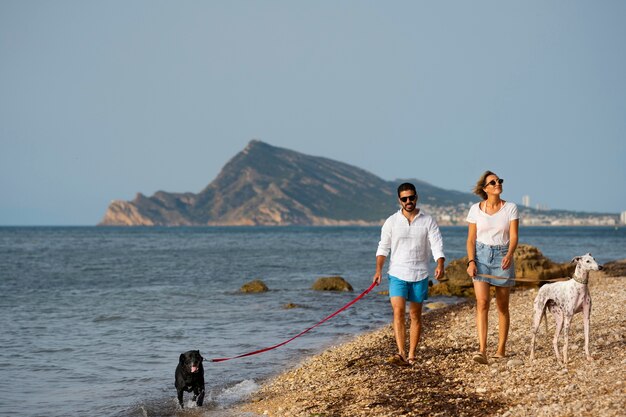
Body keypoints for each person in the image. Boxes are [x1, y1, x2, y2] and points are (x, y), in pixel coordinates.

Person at [373, 182, 445, 366]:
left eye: (411, 197)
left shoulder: (428, 220)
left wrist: (440, 264)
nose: (408, 201)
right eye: (404, 199)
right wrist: (378, 270)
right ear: (399, 200)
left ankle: (412, 354)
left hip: (420, 274)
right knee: (398, 311)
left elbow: (437, 244)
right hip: (397, 272)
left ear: (416, 197)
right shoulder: (391, 221)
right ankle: (401, 352)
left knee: (415, 315)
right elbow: (383, 247)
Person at [466, 171, 519, 364]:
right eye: (493, 182)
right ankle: (482, 350)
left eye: (499, 181)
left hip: (502, 255)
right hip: (480, 256)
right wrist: (471, 261)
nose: (498, 184)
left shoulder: (510, 208)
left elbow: (513, 236)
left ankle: (501, 349)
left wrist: (509, 254)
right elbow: (471, 239)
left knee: (502, 306)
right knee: (482, 303)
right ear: (485, 188)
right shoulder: (475, 209)